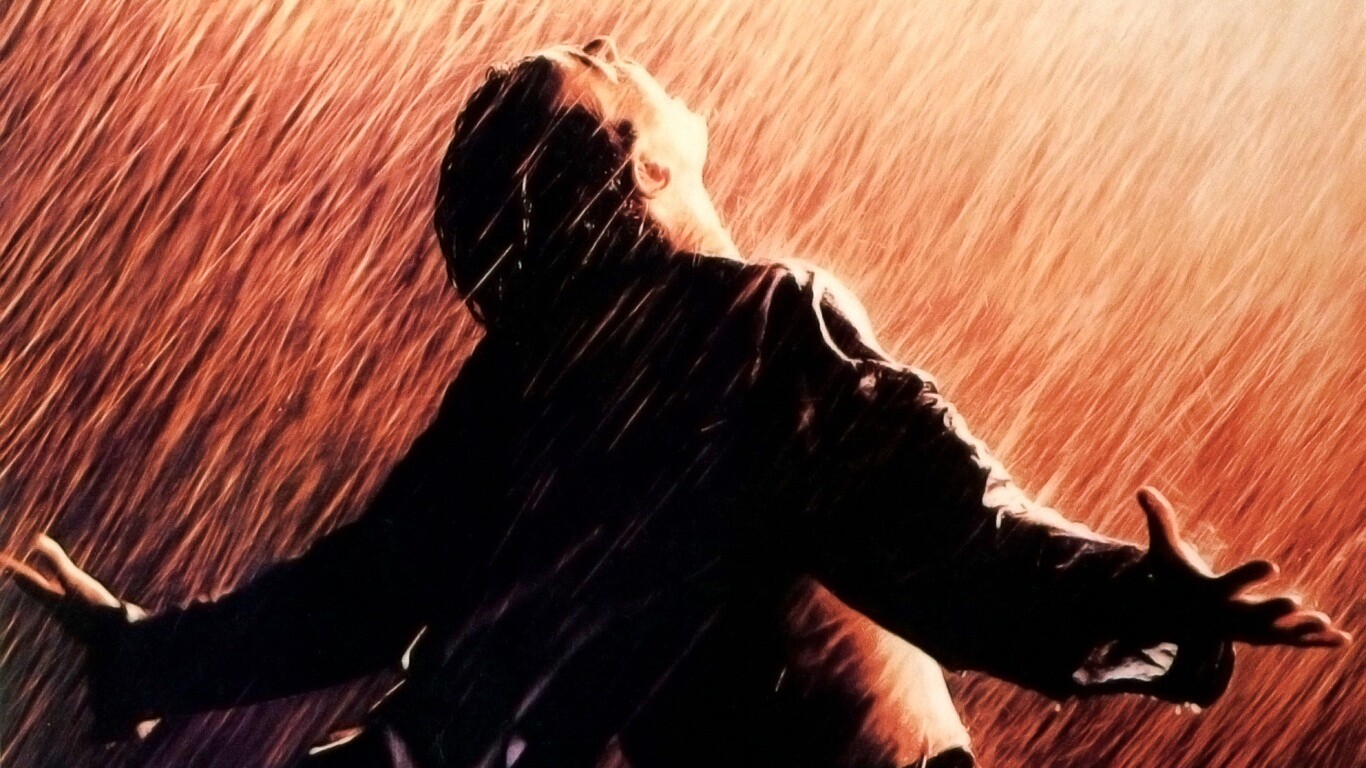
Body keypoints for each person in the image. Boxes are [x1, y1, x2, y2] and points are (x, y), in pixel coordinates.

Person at [4, 38, 1348, 768]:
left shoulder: (517, 397)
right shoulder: (751, 322)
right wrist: (1144, 610)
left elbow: (367, 591)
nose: (599, 39)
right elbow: (951, 543)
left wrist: (148, 659)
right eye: (585, 63)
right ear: (640, 166)